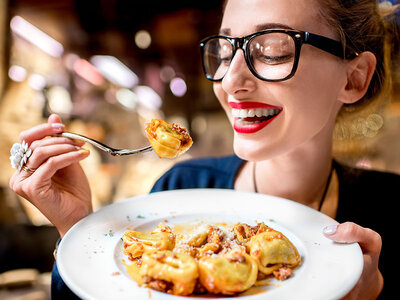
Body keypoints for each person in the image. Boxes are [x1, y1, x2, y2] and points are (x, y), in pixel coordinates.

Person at [9, 0, 400, 298]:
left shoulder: (388, 210)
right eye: (226, 50)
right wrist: (78, 228)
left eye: (272, 49)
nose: (230, 80)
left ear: (354, 78)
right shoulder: (179, 187)